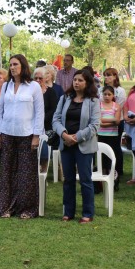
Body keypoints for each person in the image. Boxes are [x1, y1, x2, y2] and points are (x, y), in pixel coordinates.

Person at [0, 54, 44, 219]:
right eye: (10, 65)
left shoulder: (33, 86)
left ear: (23, 66)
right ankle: (6, 207)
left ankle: (27, 209)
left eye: (15, 64)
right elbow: (0, 110)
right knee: (7, 172)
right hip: (7, 134)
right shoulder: (7, 86)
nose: (12, 67)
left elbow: (39, 113)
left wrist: (36, 135)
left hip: (27, 134)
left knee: (26, 174)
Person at [53, 70, 100, 223]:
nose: (76, 82)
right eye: (75, 80)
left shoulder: (93, 101)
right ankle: (68, 212)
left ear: (87, 83)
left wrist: (77, 137)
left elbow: (95, 125)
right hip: (66, 144)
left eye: (80, 80)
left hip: (84, 145)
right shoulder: (65, 98)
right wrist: (64, 135)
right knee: (68, 180)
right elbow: (56, 119)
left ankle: (87, 213)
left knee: (85, 180)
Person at [98, 85, 124, 190]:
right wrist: (111, 120)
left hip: (113, 136)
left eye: (109, 94)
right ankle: (102, 179)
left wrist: (104, 122)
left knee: (111, 157)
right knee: (102, 158)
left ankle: (113, 179)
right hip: (101, 135)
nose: (107, 96)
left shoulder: (116, 106)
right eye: (105, 94)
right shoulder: (98, 105)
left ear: (113, 95)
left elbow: (117, 121)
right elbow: (98, 120)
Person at [35, 66, 59, 172]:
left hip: (47, 127)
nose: (37, 80)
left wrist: (40, 119)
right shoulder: (31, 92)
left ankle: (43, 170)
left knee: (42, 139)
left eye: (40, 78)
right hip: (32, 125)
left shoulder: (51, 92)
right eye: (35, 78)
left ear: (45, 78)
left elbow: (53, 110)